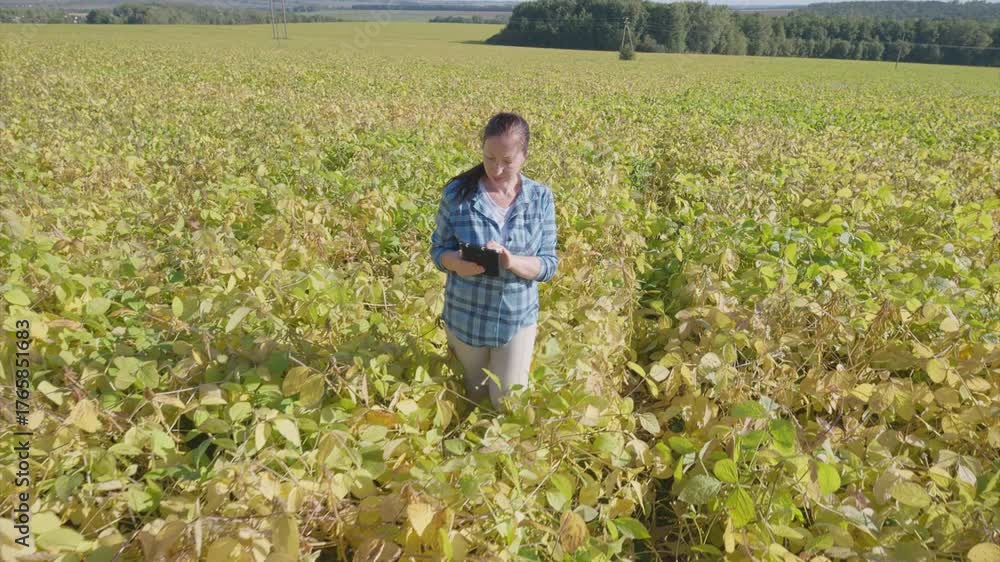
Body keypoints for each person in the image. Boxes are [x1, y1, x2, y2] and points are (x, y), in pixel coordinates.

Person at [429, 112, 559, 412]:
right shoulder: (457, 195)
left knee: (507, 401)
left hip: (516, 318)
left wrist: (511, 261)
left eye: (507, 161)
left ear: (525, 156)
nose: (497, 169)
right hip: (466, 315)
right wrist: (455, 262)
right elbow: (438, 250)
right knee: (472, 395)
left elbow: (548, 263)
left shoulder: (540, 198)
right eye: (489, 158)